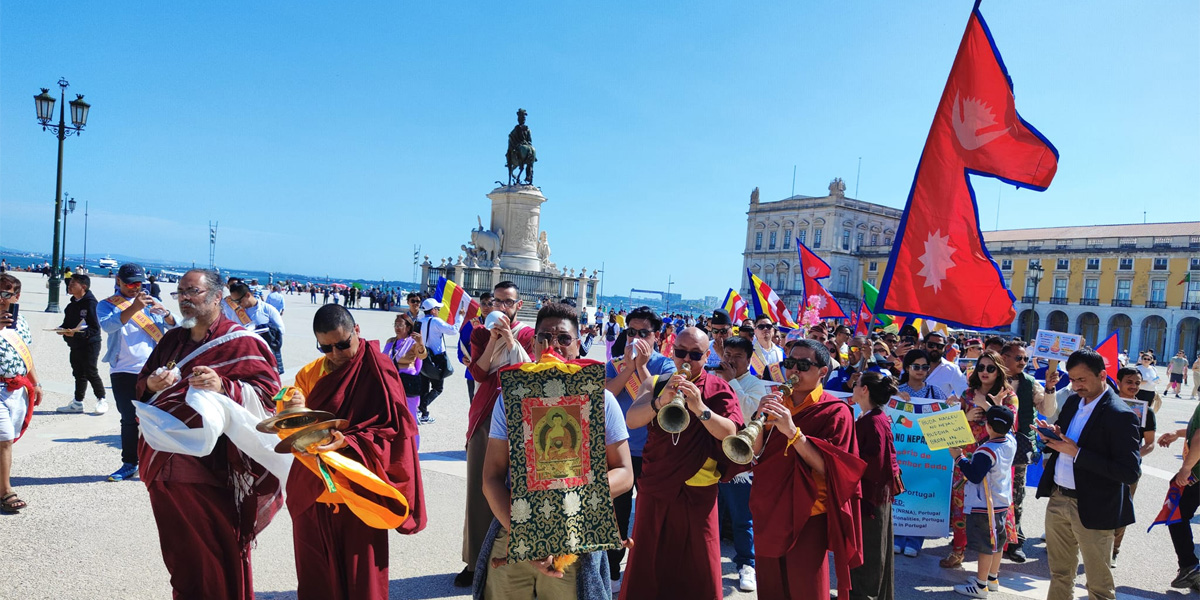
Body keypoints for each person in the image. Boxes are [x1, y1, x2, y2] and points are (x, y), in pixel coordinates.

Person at [135, 269, 281, 599]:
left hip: (210, 466)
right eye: (180, 292)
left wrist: (223, 385)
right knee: (179, 553)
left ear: (217, 297)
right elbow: (143, 384)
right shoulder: (173, 339)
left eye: (193, 292)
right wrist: (152, 385)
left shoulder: (241, 341)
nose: (185, 298)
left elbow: (270, 397)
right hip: (162, 463)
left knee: (218, 550)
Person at [476, 302, 634, 600]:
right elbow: (492, 478)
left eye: (563, 338)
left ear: (578, 345)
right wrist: (528, 535)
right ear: (532, 343)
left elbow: (625, 474)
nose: (553, 345)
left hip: (577, 532)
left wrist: (572, 500)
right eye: (544, 337)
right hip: (516, 526)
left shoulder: (601, 400)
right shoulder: (510, 399)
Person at [289, 304, 426, 599]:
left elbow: (394, 433)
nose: (336, 354)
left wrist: (349, 441)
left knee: (362, 582)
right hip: (314, 490)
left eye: (342, 344)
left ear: (357, 332)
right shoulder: (308, 375)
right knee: (316, 580)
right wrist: (293, 411)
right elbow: (291, 429)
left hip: (359, 494)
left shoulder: (377, 367)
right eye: (326, 347)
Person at [620, 327, 743, 600]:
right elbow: (632, 420)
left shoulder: (718, 387)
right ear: (671, 352)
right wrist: (660, 401)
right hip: (657, 487)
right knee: (650, 558)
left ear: (707, 355)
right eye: (680, 352)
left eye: (696, 354)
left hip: (699, 490)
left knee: (698, 563)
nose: (687, 359)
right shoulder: (656, 382)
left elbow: (731, 434)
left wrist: (701, 409)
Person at [748, 338, 865, 599]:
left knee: (806, 588)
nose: (793, 371)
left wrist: (792, 432)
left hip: (809, 512)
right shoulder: (776, 401)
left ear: (823, 372)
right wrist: (758, 418)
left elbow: (829, 469)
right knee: (770, 586)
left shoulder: (835, 411)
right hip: (770, 505)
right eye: (789, 363)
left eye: (803, 365)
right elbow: (756, 452)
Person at [1035, 349, 1141, 600]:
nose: (1075, 385)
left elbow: (1129, 471)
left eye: (1081, 379)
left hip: (1093, 505)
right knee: (1059, 573)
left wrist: (1077, 452)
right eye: (1072, 379)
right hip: (1059, 497)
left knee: (1098, 586)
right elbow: (1068, 442)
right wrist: (1053, 436)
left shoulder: (1121, 414)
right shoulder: (1072, 401)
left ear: (1102, 375)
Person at [457, 281, 537, 587]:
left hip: (518, 414)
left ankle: (513, 557)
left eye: (508, 302)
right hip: (487, 414)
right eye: (497, 301)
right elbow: (478, 372)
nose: (502, 307)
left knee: (516, 490)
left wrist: (511, 341)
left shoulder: (529, 335)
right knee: (479, 487)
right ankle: (473, 560)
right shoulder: (479, 332)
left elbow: (529, 371)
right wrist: (493, 340)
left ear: (518, 305)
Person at [603, 306, 675, 593]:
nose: (635, 337)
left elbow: (658, 398)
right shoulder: (616, 362)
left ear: (656, 336)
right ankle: (613, 569)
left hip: (651, 449)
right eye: (630, 332)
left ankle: (645, 567)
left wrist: (642, 366)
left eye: (643, 333)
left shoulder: (666, 365)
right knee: (617, 513)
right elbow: (607, 393)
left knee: (649, 513)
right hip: (620, 450)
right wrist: (629, 367)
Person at [100, 263, 176, 482]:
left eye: (139, 283)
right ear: (118, 282)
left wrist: (168, 314)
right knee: (129, 419)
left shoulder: (152, 302)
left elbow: (180, 327)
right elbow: (108, 326)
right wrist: (133, 307)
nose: (135, 288)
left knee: (159, 417)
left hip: (153, 368)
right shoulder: (107, 305)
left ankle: (161, 462)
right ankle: (129, 463)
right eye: (130, 283)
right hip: (122, 369)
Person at [941, 350, 1017, 569]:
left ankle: (992, 563)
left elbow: (1009, 425)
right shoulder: (967, 394)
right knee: (961, 507)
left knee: (993, 509)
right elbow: (953, 426)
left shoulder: (1009, 396)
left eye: (990, 368)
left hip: (992, 462)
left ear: (999, 370)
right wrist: (965, 416)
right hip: (965, 458)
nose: (984, 372)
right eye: (981, 367)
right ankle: (958, 551)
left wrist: (987, 405)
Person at [712, 335, 767, 592]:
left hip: (740, 461)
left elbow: (749, 412)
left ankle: (747, 564)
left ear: (748, 359)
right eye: (728, 355)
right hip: (713, 455)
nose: (731, 360)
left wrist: (731, 380)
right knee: (711, 513)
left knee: (742, 517)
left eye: (737, 357)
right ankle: (709, 560)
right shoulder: (714, 377)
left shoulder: (755, 384)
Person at [998, 340, 1059, 563]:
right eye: (1018, 358)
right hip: (990, 445)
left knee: (1016, 494)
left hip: (1019, 447)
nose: (1023, 362)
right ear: (1004, 358)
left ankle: (1015, 541)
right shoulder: (990, 377)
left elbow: (1048, 410)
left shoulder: (1030, 383)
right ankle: (985, 538)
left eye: (1025, 358)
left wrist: (1050, 388)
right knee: (986, 491)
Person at [950, 405, 1017, 598]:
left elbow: (974, 475)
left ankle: (981, 585)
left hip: (985, 505)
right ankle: (992, 578)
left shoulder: (986, 450)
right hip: (1002, 501)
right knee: (997, 542)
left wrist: (959, 458)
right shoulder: (1010, 441)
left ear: (988, 425)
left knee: (986, 546)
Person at [849, 371, 901, 600]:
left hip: (871, 496)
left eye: (856, 383)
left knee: (869, 553)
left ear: (865, 390)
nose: (853, 386)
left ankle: (864, 596)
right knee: (873, 550)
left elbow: (875, 465)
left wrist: (844, 460)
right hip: (874, 494)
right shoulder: (871, 417)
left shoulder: (873, 421)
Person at [892, 349, 944, 557]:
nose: (921, 371)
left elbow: (946, 416)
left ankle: (915, 540)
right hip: (901, 452)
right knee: (901, 491)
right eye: (916, 366)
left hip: (925, 454)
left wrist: (949, 405)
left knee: (922, 493)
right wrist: (895, 399)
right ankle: (896, 536)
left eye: (925, 367)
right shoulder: (896, 390)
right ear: (907, 368)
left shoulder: (935, 392)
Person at [0, 274, 44, 514]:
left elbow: (25, 356)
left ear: (17, 296)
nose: (1, 299)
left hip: (16, 389)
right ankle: (6, 491)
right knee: (4, 438)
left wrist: (36, 383)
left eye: (7, 294)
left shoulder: (21, 322)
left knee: (7, 439)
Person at [1111, 367, 1155, 562]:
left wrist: (1134, 456)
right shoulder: (1106, 404)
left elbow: (1150, 443)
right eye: (1129, 382)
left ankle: (1114, 549)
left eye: (1137, 383)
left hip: (1129, 468)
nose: (1134, 386)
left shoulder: (1146, 411)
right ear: (1118, 382)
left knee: (1122, 508)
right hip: (1101, 464)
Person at [54, 273, 108, 414]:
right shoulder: (71, 305)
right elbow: (66, 324)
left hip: (90, 343)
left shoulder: (91, 304)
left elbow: (95, 328)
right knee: (78, 373)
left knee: (91, 371)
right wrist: (62, 330)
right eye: (69, 284)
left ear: (83, 286)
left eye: (73, 284)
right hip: (75, 344)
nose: (69, 286)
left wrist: (78, 332)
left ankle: (102, 399)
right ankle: (77, 403)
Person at [223, 281, 286, 375]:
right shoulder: (237, 313)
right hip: (247, 356)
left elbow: (281, 330)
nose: (238, 304)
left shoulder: (267, 309)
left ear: (248, 295)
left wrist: (262, 330)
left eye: (239, 301)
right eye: (235, 302)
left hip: (266, 354)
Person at [383, 313, 426, 450]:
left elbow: (422, 356)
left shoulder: (413, 342)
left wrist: (420, 343)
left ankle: (413, 447)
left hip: (408, 382)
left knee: (410, 416)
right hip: (392, 382)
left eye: (400, 325)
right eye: (395, 325)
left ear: (408, 327)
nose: (397, 328)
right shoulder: (390, 341)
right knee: (393, 415)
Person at [415, 297, 456, 423]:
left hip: (422, 354)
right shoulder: (436, 321)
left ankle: (424, 414)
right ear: (432, 310)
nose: (438, 311)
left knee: (424, 386)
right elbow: (453, 331)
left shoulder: (419, 321)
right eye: (437, 309)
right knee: (438, 387)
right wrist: (459, 318)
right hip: (436, 357)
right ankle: (421, 407)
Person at [460, 292, 493, 408]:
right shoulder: (471, 324)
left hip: (493, 371)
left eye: (490, 304)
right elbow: (461, 345)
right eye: (483, 303)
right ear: (479, 305)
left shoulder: (499, 323)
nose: (486, 307)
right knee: (475, 405)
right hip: (473, 372)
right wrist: (462, 358)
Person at [924, 330, 968, 399]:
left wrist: (956, 399)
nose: (935, 348)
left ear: (944, 348)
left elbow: (965, 392)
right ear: (924, 345)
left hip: (939, 409)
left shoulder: (952, 369)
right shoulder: (912, 365)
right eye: (931, 345)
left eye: (939, 346)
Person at [751, 315, 785, 382]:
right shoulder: (748, 352)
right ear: (755, 331)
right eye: (761, 327)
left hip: (778, 390)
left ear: (773, 330)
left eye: (768, 326)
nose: (765, 329)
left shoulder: (781, 352)